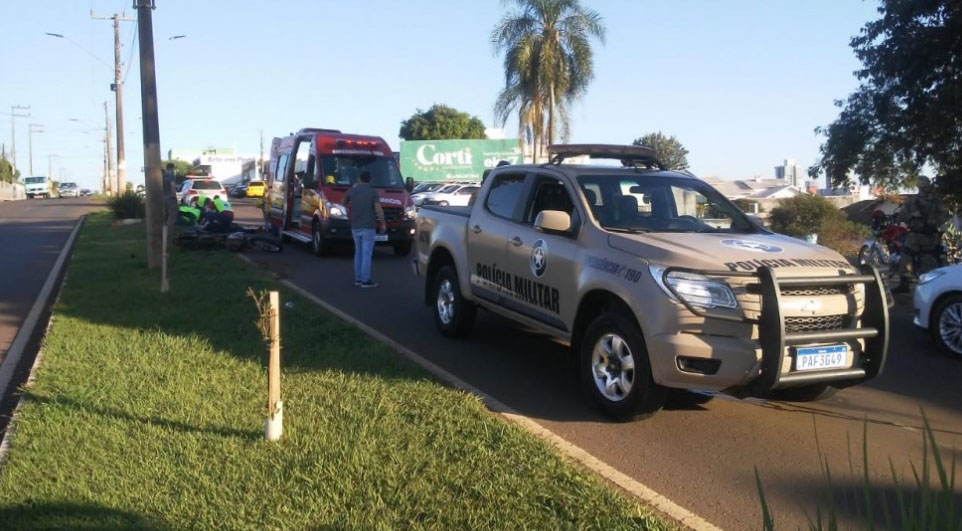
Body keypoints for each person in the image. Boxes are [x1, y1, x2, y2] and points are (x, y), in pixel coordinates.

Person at [894, 176, 950, 293]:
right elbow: (900, 217)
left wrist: (932, 222)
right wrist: (912, 215)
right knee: (906, 256)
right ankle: (904, 284)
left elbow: (945, 215)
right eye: (920, 183)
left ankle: (930, 288)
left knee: (928, 261)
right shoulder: (912, 201)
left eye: (925, 183)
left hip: (929, 236)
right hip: (915, 235)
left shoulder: (935, 201)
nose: (923, 185)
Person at [343, 170, 384, 288]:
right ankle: (366, 280)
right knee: (367, 253)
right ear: (370, 180)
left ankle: (358, 279)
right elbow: (378, 208)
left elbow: (343, 202)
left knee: (358, 252)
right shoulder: (373, 192)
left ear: (359, 179)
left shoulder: (352, 191)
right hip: (368, 226)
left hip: (355, 226)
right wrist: (383, 223)